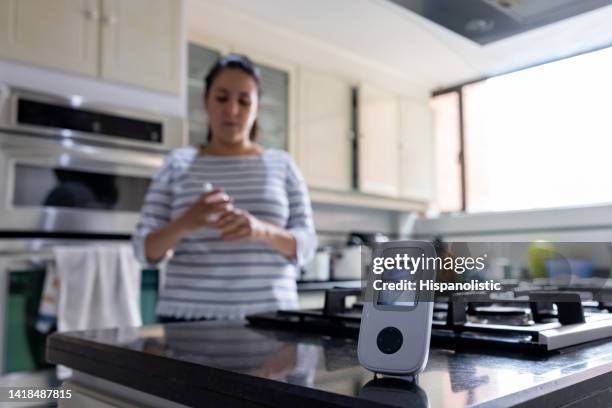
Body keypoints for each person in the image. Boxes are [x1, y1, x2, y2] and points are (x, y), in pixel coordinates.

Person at [132, 54, 317, 320]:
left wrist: (261, 230)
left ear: (257, 108)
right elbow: (143, 250)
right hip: (187, 320)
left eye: (244, 101)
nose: (232, 110)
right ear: (206, 101)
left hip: (272, 320)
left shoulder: (282, 165)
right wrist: (187, 221)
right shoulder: (176, 163)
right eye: (222, 98)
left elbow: (307, 246)